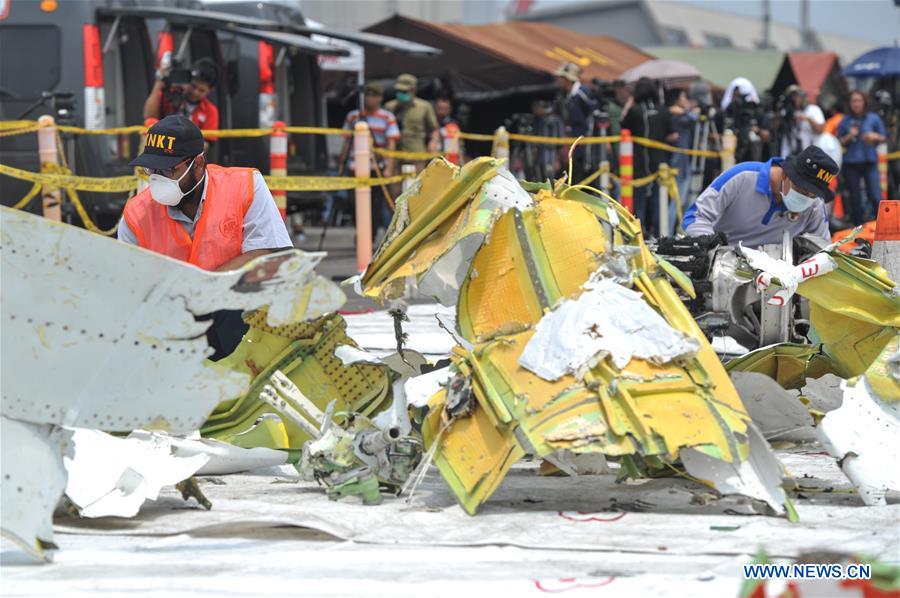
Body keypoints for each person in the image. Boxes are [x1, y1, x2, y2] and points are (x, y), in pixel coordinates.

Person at [119, 115, 292, 358]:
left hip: (239, 311)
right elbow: (129, 285)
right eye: (151, 169)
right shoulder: (136, 215)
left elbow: (271, 252)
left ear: (198, 164)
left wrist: (202, 286)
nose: (157, 178)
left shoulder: (245, 185)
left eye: (168, 169)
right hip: (173, 323)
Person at [682, 145, 839, 248]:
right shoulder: (742, 177)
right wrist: (715, 250)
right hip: (720, 264)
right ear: (786, 175)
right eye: (802, 190)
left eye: (813, 194)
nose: (807, 198)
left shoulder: (814, 204)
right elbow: (694, 218)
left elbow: (822, 250)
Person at [338, 83, 400, 238]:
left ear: (380, 98)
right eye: (368, 95)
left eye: (374, 96)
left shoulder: (387, 117)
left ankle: (368, 235)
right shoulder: (354, 116)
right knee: (353, 202)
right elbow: (346, 142)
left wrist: (389, 168)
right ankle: (361, 232)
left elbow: (391, 144)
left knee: (374, 205)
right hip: (355, 166)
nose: (370, 99)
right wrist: (341, 163)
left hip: (376, 167)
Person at [621, 77, 675, 238]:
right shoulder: (663, 111)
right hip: (660, 164)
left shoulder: (635, 111)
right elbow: (673, 135)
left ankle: (638, 235)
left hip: (639, 163)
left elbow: (623, 125)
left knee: (639, 202)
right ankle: (661, 235)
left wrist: (630, 101)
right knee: (660, 201)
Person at [144, 58, 220, 147]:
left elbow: (207, 144)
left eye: (201, 90)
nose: (195, 92)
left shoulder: (210, 111)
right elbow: (149, 117)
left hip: (190, 156)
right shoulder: (170, 94)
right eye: (193, 86)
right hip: (160, 149)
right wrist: (158, 84)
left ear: (210, 90)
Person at [837, 90, 887, 225]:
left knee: (875, 195)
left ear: (864, 102)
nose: (856, 104)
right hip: (851, 163)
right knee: (855, 198)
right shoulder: (845, 120)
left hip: (869, 161)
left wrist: (874, 136)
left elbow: (884, 137)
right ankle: (858, 229)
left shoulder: (873, 118)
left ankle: (883, 225)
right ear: (849, 103)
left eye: (859, 100)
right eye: (853, 101)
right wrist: (849, 136)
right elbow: (838, 141)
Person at [384, 74, 440, 172]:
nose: (400, 94)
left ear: (413, 90)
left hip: (416, 154)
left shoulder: (424, 107)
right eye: (398, 91)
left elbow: (434, 129)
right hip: (394, 154)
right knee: (394, 184)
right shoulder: (390, 107)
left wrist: (433, 141)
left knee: (416, 185)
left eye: (404, 91)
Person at [555, 62, 595, 182]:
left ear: (568, 79)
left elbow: (590, 118)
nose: (558, 80)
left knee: (581, 174)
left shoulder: (582, 94)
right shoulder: (568, 96)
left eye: (561, 78)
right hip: (573, 141)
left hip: (584, 143)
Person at [666, 87, 696, 219]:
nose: (687, 100)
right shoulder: (676, 115)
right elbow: (694, 118)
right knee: (677, 199)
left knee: (683, 199)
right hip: (678, 161)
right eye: (684, 97)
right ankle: (669, 231)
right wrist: (687, 110)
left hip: (684, 159)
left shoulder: (680, 114)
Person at [778, 85, 825, 157]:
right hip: (791, 154)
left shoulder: (813, 109)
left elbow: (821, 129)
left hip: (810, 154)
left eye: (797, 96)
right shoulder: (788, 112)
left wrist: (807, 119)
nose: (795, 99)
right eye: (793, 97)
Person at [434, 95, 465, 162]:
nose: (442, 112)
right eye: (440, 108)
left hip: (451, 160)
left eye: (445, 109)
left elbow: (460, 143)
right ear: (435, 108)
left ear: (450, 110)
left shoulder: (454, 124)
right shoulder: (430, 122)